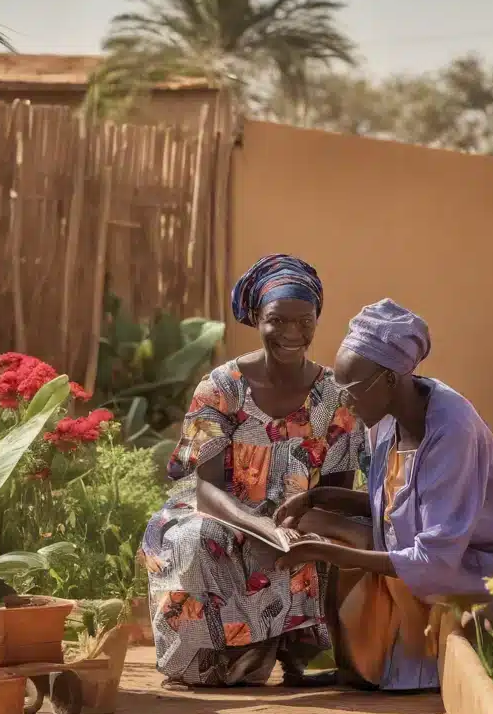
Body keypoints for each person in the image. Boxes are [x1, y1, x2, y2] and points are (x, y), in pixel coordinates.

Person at [272, 299, 493, 691]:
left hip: (486, 568)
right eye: (340, 391)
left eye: (353, 391)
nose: (346, 403)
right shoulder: (386, 416)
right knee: (320, 527)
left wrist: (320, 551)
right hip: (438, 553)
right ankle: (359, 665)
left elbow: (434, 556)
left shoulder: (452, 430)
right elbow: (398, 504)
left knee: (337, 546)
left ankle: (403, 666)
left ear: (392, 379)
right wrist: (317, 498)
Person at [140, 254, 364, 688]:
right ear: (256, 318)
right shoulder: (220, 388)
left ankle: (293, 645)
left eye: (305, 321)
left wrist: (305, 527)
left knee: (331, 540)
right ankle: (220, 658)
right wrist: (262, 525)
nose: (292, 333)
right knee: (192, 539)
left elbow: (338, 490)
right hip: (225, 514)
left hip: (299, 517)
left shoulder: (334, 396)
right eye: (277, 320)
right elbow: (207, 489)